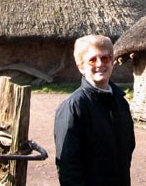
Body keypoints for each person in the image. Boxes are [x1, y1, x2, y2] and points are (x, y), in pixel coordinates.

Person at [54, 35, 135, 185]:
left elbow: (127, 149)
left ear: (112, 61)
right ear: (81, 66)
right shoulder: (74, 107)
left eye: (105, 58)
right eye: (92, 59)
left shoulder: (121, 103)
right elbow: (68, 167)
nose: (100, 64)